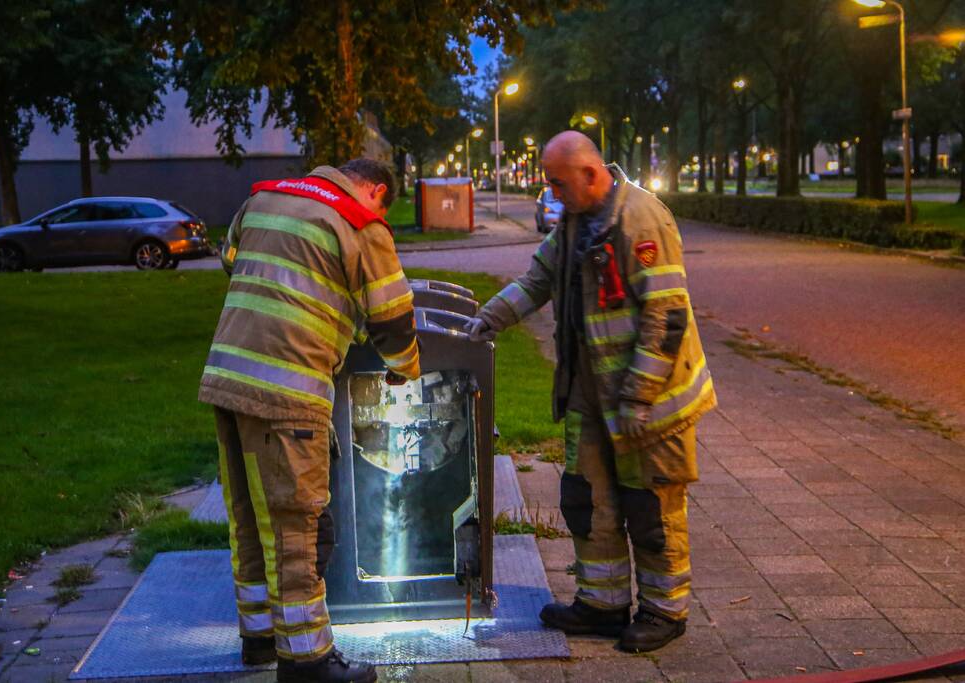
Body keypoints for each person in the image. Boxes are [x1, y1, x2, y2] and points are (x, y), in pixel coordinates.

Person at [466, 131, 716, 652]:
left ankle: (665, 611)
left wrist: (639, 397)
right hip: (593, 395)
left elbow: (664, 317)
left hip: (650, 403)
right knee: (589, 502)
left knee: (650, 508)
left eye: (557, 183)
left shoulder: (640, 220)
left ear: (589, 173)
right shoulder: (578, 221)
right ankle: (601, 603)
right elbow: (538, 280)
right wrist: (485, 321)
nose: (553, 195)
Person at [199, 158, 420, 683]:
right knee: (298, 524)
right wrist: (406, 370)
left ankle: (260, 639)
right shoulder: (359, 224)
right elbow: (391, 317)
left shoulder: (264, 198)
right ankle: (307, 661)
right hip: (288, 391)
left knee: (250, 519)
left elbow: (233, 260)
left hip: (229, 377)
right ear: (378, 193)